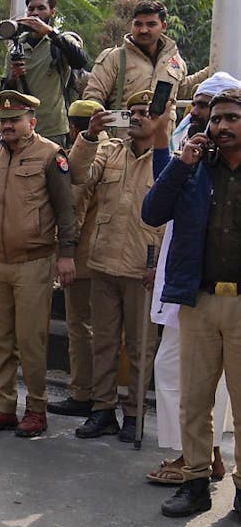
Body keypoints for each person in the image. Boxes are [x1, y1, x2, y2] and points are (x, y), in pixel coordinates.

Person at [142, 88, 241, 519]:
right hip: (198, 300)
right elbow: (152, 212)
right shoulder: (195, 168)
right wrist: (183, 164)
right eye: (216, 119)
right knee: (194, 401)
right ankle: (195, 483)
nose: (222, 126)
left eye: (232, 118)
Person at [0, 90, 77, 438]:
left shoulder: (50, 156)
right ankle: (4, 407)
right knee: (4, 341)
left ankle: (36, 409)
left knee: (30, 341)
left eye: (15, 120)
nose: (7, 126)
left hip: (34, 263)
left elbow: (66, 209)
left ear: (32, 122)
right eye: (3, 121)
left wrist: (66, 254)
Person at [66, 90, 164, 442]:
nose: (138, 117)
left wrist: (161, 266)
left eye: (146, 113)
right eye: (133, 112)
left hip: (144, 270)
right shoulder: (109, 151)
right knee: (104, 342)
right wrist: (89, 136)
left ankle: (134, 414)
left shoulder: (167, 160)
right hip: (104, 263)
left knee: (141, 347)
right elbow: (77, 175)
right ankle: (102, 409)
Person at [46, 99, 105, 418]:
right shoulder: (116, 149)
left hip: (83, 257)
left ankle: (84, 392)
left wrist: (63, 254)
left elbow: (73, 207)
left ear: (72, 127)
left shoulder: (80, 156)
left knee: (81, 327)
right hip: (108, 256)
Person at [82, 0, 210, 123]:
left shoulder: (174, 60)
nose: (143, 30)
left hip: (163, 142)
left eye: (151, 24)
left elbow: (182, 90)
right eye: (138, 24)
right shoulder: (114, 58)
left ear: (163, 26)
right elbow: (93, 100)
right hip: (123, 141)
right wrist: (124, 123)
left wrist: (213, 69)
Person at [1, 0, 89, 147]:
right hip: (22, 128)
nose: (35, 13)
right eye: (31, 9)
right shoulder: (16, 46)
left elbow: (80, 61)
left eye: (41, 8)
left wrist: (50, 33)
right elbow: (5, 91)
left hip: (53, 129)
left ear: (52, 12)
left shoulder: (61, 41)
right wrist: (13, 77)